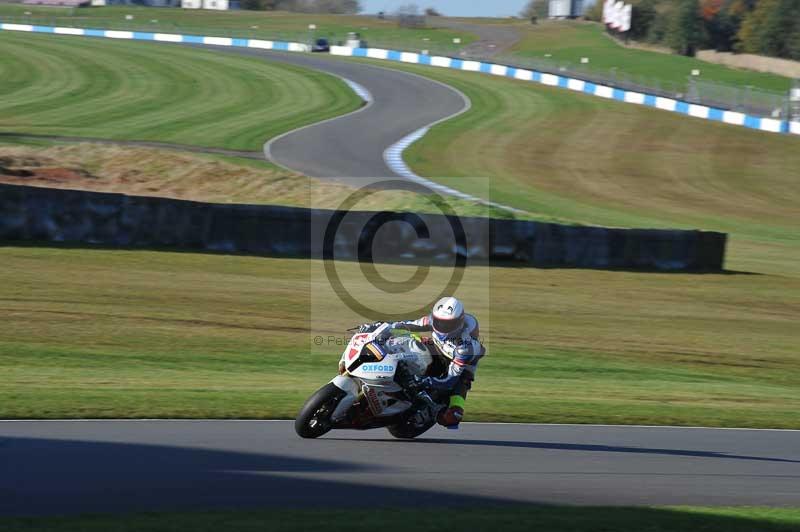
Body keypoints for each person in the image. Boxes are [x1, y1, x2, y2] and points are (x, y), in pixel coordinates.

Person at [373, 296, 485, 429]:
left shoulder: (466, 347)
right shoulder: (433, 319)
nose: (442, 327)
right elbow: (409, 324)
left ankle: (437, 411)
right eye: (439, 322)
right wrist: (382, 326)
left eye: (448, 324)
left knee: (453, 414)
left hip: (460, 363)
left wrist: (424, 381)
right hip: (437, 347)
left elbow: (450, 380)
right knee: (402, 341)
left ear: (458, 323)